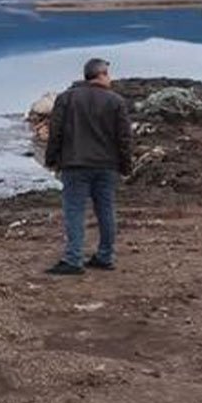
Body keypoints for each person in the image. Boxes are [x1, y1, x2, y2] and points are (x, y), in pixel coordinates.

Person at [44, 58, 134, 275]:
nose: (110, 78)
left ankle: (74, 259)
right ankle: (105, 256)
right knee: (106, 210)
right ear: (101, 75)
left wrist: (51, 160)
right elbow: (124, 138)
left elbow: (55, 132)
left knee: (74, 211)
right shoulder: (116, 102)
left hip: (75, 165)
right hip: (107, 166)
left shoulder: (67, 99)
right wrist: (126, 166)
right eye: (108, 74)